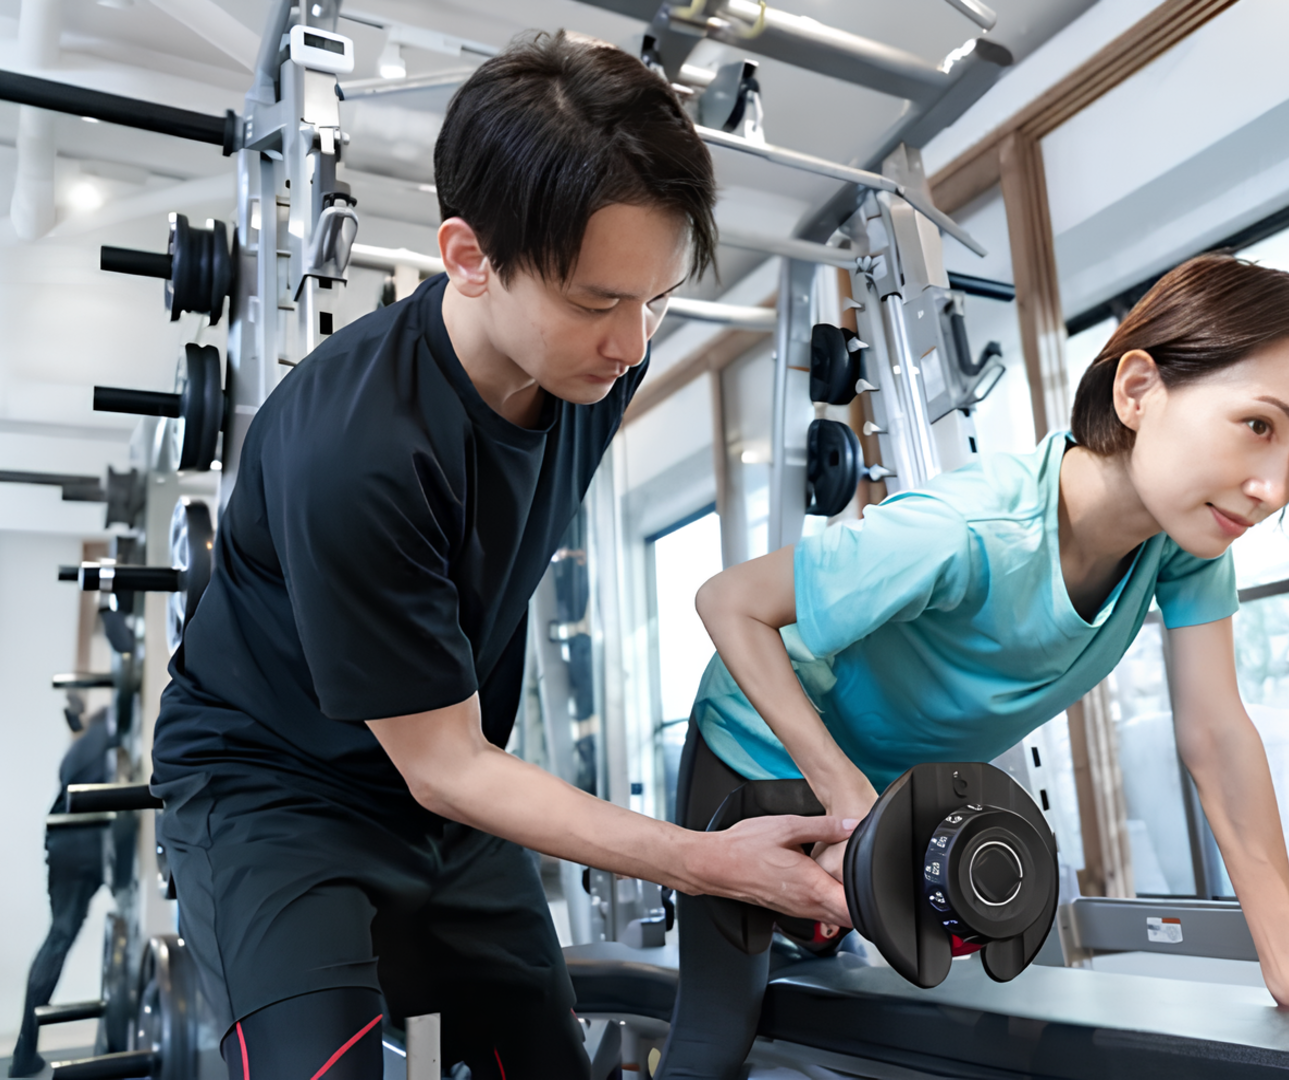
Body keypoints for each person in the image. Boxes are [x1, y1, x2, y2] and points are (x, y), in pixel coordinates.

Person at [150, 33, 851, 1080]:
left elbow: (447, 769)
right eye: (596, 300)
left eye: (654, 298)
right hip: (275, 792)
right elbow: (445, 768)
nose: (633, 345)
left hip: (444, 785)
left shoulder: (590, 377)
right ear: (469, 257)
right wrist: (706, 863)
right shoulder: (359, 452)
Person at [668, 254, 1289, 1077]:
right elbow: (728, 603)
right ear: (1138, 390)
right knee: (721, 1032)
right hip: (759, 757)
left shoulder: (1183, 548)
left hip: (893, 791)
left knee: (909, 1019)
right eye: (1258, 425)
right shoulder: (966, 532)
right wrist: (847, 798)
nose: (1272, 486)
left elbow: (1217, 736)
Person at [9, 711, 109, 1078]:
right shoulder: (111, 730)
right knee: (64, 935)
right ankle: (23, 1053)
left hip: (64, 843)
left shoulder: (82, 747)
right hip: (89, 838)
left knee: (59, 936)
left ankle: (24, 1051)